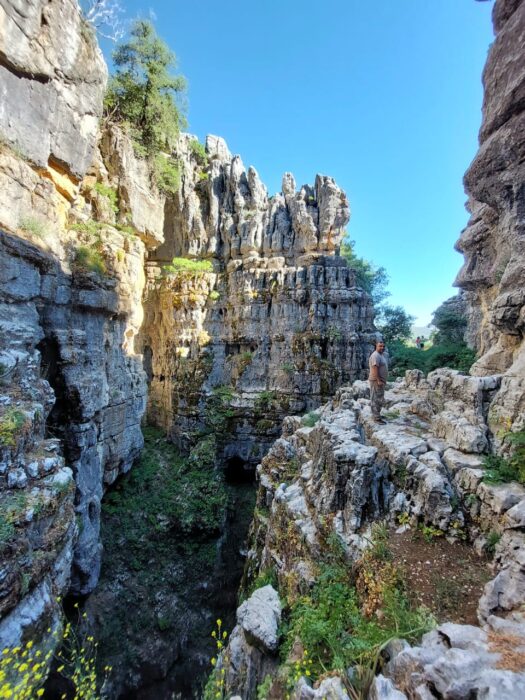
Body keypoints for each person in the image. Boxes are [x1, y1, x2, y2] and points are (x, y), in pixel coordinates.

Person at [369, 340, 388, 423]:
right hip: (376, 381)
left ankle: (377, 414)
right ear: (376, 346)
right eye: (380, 346)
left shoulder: (381, 355)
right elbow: (374, 368)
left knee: (380, 398)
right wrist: (378, 380)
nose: (382, 348)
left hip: (381, 381)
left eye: (383, 346)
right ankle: (376, 418)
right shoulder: (375, 356)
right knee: (375, 398)